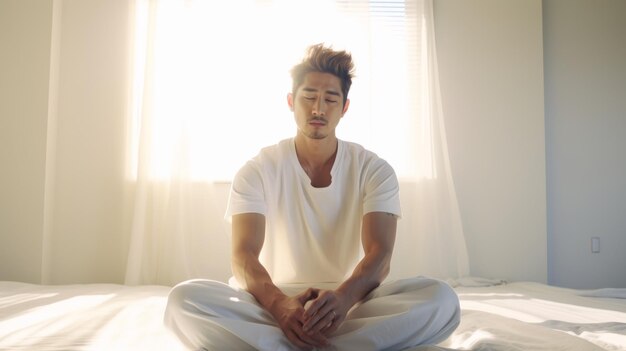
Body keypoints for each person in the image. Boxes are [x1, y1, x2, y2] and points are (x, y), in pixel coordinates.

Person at [164, 44, 460, 350]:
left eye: (330, 99)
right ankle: (324, 343)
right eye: (308, 98)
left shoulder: (374, 169)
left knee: (442, 300)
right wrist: (281, 306)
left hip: (350, 303)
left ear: (344, 107)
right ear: (291, 102)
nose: (318, 109)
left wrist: (343, 299)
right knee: (183, 300)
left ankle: (284, 344)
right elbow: (243, 256)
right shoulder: (257, 170)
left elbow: (380, 255)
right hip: (270, 303)